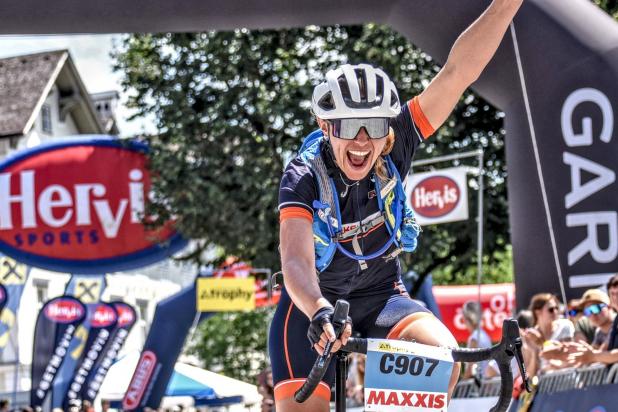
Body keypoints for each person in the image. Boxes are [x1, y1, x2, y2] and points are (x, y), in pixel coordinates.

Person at [269, 1, 525, 411]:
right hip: (311, 306)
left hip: (383, 295)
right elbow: (296, 261)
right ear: (325, 125)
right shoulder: (303, 176)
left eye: (375, 125)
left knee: (440, 354)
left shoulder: (396, 144)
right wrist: (319, 310)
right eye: (349, 126)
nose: (363, 140)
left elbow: (457, 73)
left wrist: (506, 4)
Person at [461, 301, 493, 379]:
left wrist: (460, 383)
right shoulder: (485, 335)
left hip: (478, 385)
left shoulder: (474, 339)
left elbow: (469, 368)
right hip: (486, 383)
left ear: (466, 318)